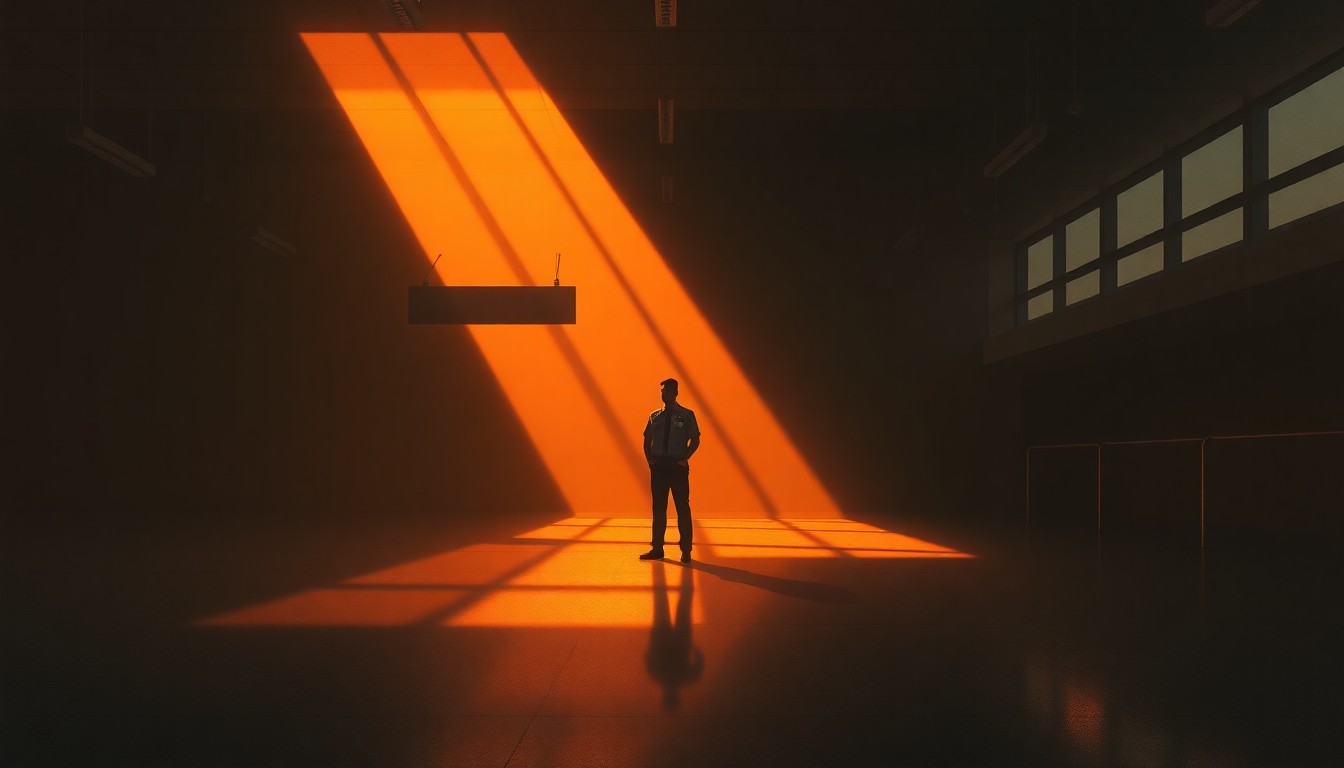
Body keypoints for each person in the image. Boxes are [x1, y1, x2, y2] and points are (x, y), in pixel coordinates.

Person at [639, 378, 700, 563]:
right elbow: (646, 440)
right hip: (659, 467)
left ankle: (686, 550)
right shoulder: (654, 416)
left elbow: (695, 440)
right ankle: (657, 548)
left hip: (677, 466)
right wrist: (650, 461)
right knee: (658, 508)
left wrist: (685, 458)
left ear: (675, 392)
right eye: (662, 390)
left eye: (666, 390)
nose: (662, 393)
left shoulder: (687, 414)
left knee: (682, 507)